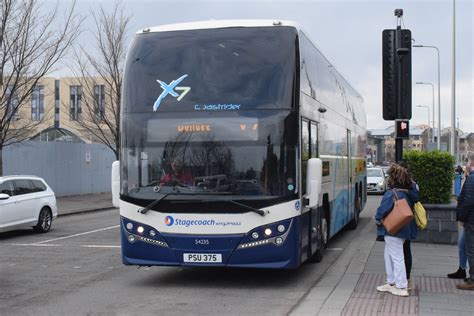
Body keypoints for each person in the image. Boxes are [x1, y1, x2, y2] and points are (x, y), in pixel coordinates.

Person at [375, 163, 418, 297]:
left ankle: (401, 286)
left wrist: (378, 218)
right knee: (389, 254)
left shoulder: (391, 193)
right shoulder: (410, 193)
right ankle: (391, 282)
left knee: (397, 257)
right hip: (405, 228)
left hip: (393, 229)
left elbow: (382, 211)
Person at [456, 155, 474, 290]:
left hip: (471, 220)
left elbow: (468, 201)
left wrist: (461, 217)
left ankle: (472, 280)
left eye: (467, 161)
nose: (466, 164)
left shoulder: (472, 179)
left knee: (471, 250)